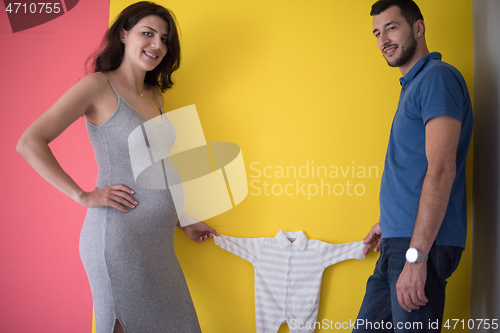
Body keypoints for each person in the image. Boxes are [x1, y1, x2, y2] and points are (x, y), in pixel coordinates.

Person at [16, 2, 218, 332]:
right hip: (118, 240)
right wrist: (82, 195)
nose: (157, 45)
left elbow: (160, 165)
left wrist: (184, 219)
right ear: (124, 35)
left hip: (158, 243)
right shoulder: (97, 86)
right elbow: (29, 141)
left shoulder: (156, 96)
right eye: (148, 33)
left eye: (164, 39)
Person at [352, 0, 472, 332]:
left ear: (418, 28)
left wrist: (416, 257)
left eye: (392, 27)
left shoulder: (437, 79)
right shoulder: (414, 86)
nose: (383, 40)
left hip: (420, 247)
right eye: (377, 32)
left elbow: (442, 169)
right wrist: (388, 222)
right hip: (400, 238)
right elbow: (415, 170)